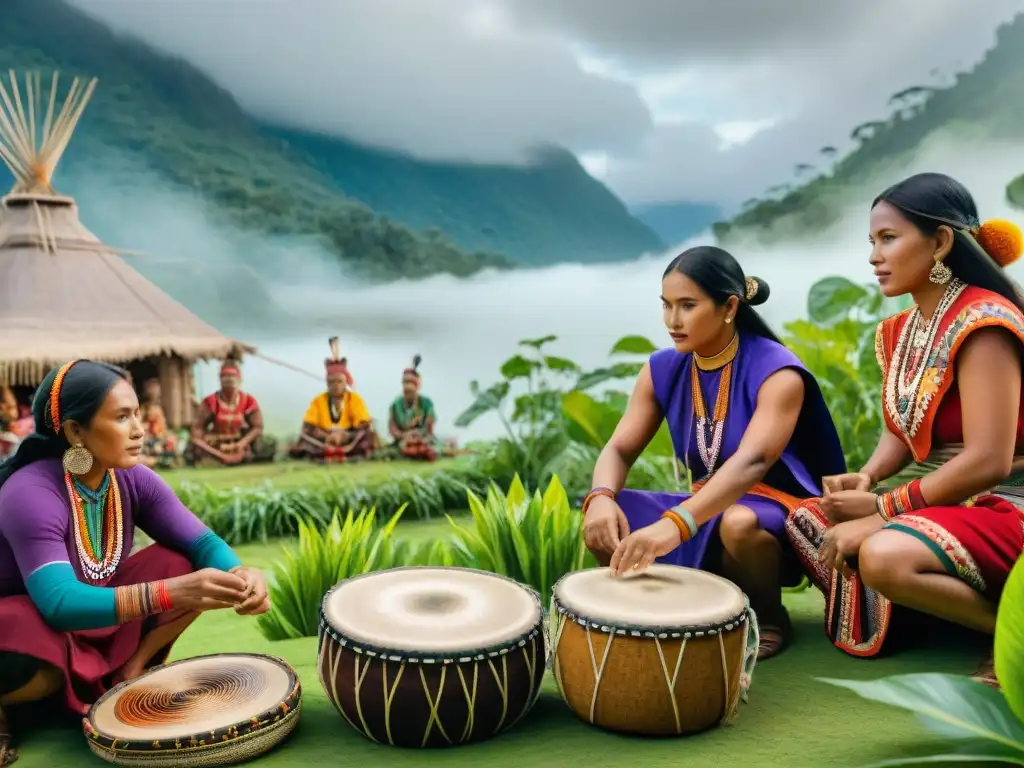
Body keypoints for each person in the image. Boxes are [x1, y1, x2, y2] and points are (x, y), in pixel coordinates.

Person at [786, 172, 1024, 688]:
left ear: (939, 242)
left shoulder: (984, 324)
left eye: (888, 238)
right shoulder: (901, 330)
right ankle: (934, 607)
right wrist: (867, 478)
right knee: (807, 519)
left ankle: (1011, 638)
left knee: (883, 555)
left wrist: (881, 510)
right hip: (944, 495)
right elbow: (903, 429)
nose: (874, 255)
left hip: (1006, 499)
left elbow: (989, 461)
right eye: (872, 241)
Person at [0, 360, 271, 766]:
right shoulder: (30, 492)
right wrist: (170, 593)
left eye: (138, 414)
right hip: (38, 629)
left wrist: (241, 575)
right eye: (123, 417)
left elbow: (203, 542)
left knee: (177, 561)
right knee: (20, 624)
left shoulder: (131, 479)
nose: (140, 430)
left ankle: (130, 672)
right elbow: (57, 603)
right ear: (76, 431)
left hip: (96, 620)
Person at [581, 246, 847, 660]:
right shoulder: (662, 369)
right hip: (705, 505)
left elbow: (752, 462)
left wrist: (676, 524)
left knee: (738, 523)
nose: (673, 320)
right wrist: (600, 497)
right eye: (666, 305)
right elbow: (618, 448)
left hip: (772, 511)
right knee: (612, 519)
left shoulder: (778, 371)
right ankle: (667, 609)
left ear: (729, 307)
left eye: (688, 305)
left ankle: (769, 616)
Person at [288, 337, 376, 462]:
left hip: (348, 438)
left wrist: (344, 436)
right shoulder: (318, 400)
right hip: (324, 438)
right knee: (306, 440)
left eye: (339, 381)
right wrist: (328, 436)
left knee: (366, 437)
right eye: (331, 382)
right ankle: (331, 452)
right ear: (327, 383)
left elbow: (362, 427)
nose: (335, 385)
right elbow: (309, 427)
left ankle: (338, 453)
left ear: (345, 382)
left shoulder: (355, 399)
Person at [184, 357, 276, 466]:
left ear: (239, 379)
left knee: (268, 443)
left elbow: (257, 427)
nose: (229, 380)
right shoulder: (211, 402)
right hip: (215, 445)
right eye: (225, 377)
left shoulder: (248, 401)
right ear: (220, 380)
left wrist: (241, 444)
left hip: (239, 444)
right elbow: (197, 432)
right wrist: (217, 451)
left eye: (232, 377)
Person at [387, 355, 440, 462]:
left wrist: (417, 435)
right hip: (403, 440)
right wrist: (404, 436)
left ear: (417, 386)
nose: (407, 387)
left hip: (422, 438)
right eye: (405, 383)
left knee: (426, 448)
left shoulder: (426, 403)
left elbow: (429, 429)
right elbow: (392, 429)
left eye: (411, 383)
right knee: (404, 447)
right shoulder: (395, 405)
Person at [138, 378, 178, 469]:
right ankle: (156, 461)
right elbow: (139, 423)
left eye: (157, 388)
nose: (156, 391)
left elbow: (163, 427)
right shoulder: (144, 408)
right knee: (155, 446)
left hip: (160, 436)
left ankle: (165, 461)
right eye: (154, 388)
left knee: (172, 439)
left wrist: (166, 435)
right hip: (149, 437)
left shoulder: (159, 408)